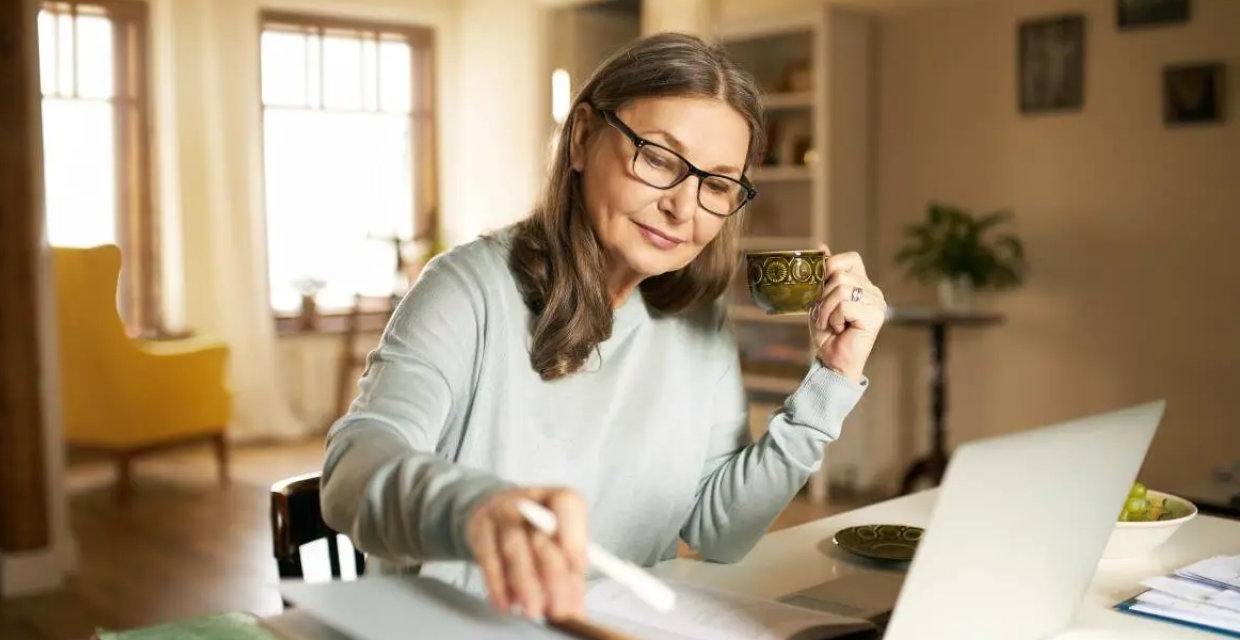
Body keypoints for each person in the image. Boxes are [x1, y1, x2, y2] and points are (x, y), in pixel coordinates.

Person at [320, 32, 887, 623]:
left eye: (717, 184)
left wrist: (833, 378)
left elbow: (722, 530)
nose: (684, 208)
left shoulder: (697, 317)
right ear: (584, 138)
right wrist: (474, 508)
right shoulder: (467, 289)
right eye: (661, 159)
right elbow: (350, 470)